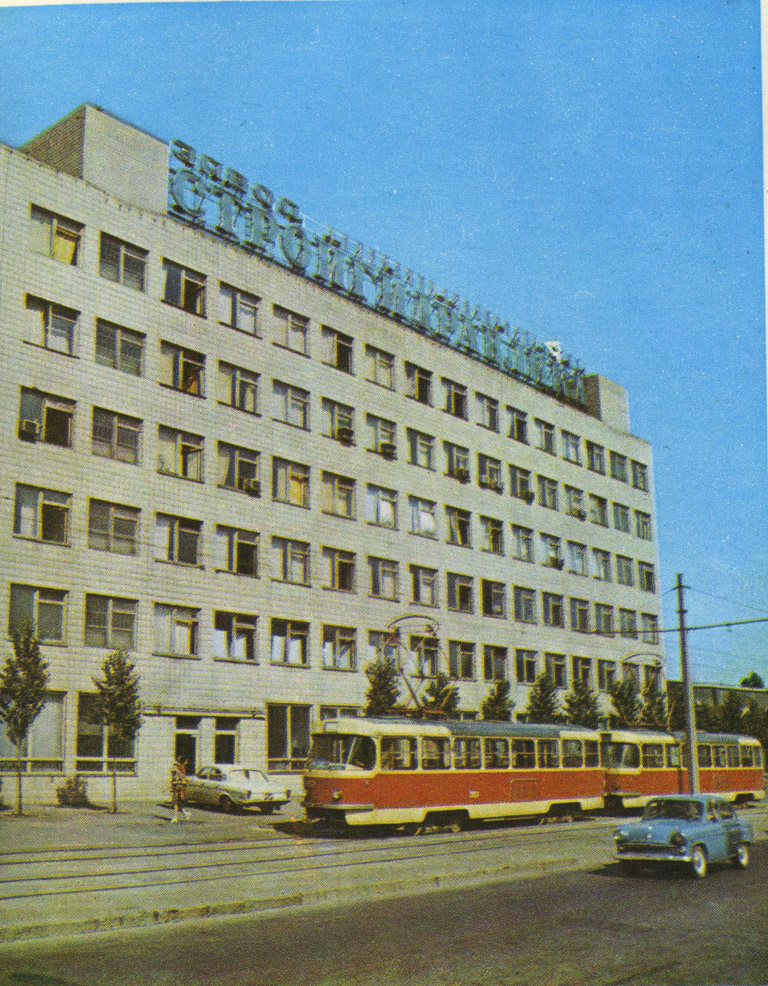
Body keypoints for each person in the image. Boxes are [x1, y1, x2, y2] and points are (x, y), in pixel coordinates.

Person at [170, 756, 189, 821]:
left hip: (178, 785)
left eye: (174, 764)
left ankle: (175, 817)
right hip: (177, 785)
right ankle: (185, 814)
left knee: (175, 802)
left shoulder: (178, 769)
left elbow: (181, 777)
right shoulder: (177, 769)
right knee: (178, 803)